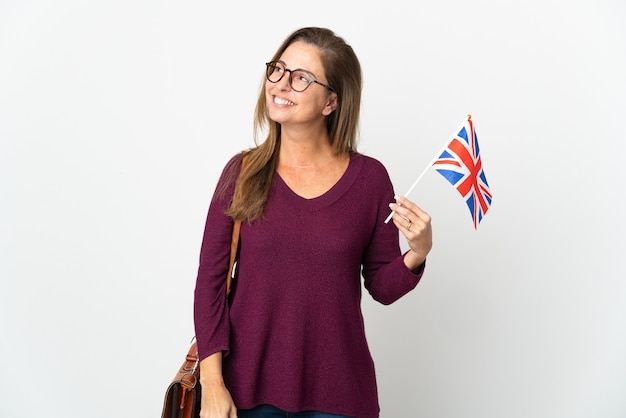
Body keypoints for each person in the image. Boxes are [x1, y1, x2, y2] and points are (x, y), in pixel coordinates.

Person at [193, 27, 432, 418]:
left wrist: (418, 253)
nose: (281, 84)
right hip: (244, 395)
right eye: (278, 69)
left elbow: (383, 287)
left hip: (339, 398)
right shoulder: (242, 172)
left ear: (330, 102)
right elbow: (210, 284)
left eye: (301, 77)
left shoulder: (370, 180)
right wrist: (213, 384)